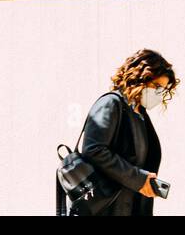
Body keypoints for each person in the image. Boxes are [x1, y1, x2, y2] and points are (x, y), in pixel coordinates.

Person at [77, 48, 179, 215]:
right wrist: (138, 178)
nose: (159, 94)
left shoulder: (140, 115)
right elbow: (93, 149)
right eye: (157, 86)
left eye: (164, 89)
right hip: (107, 209)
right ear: (140, 77)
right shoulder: (111, 104)